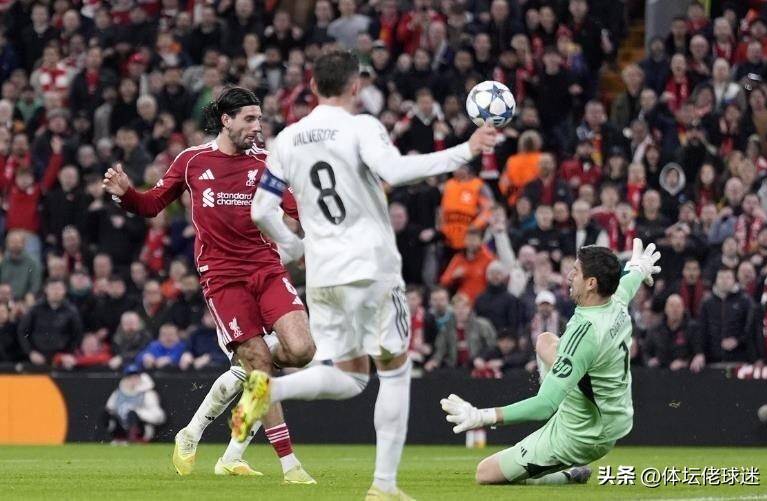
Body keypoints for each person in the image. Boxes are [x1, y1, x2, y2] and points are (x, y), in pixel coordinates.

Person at [249, 50, 496, 500]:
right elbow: (394, 170)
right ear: (355, 86)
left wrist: (295, 246)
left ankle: (270, 389)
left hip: (323, 275)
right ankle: (383, 486)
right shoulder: (361, 126)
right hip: (371, 269)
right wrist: (465, 150)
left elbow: (261, 210)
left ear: (313, 86)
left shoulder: (286, 139)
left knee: (352, 377)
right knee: (395, 371)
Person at [102, 86, 315, 482]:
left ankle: (201, 424)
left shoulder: (268, 164)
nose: (257, 126)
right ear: (226, 120)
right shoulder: (192, 161)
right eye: (249, 119)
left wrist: (310, 229)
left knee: (301, 351)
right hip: (223, 279)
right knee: (260, 367)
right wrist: (127, 194)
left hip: (267, 270)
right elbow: (151, 204)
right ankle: (290, 466)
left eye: (259, 119)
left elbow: (296, 209)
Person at [440, 240, 661, 486]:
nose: (569, 276)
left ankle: (568, 475)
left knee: (486, 473)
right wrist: (639, 267)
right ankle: (558, 389)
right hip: (615, 417)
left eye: (576, 271)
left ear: (591, 283)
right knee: (545, 341)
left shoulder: (586, 333)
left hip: (584, 435)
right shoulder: (615, 299)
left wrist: (482, 416)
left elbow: (544, 406)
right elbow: (629, 280)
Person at [105, 364, 166, 444]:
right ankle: (115, 438)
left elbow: (160, 417)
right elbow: (109, 409)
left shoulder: (147, 394)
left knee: (132, 414)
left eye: (136, 377)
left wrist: (138, 413)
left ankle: (134, 439)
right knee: (105, 414)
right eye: (130, 377)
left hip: (141, 429)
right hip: (122, 427)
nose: (133, 380)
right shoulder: (118, 393)